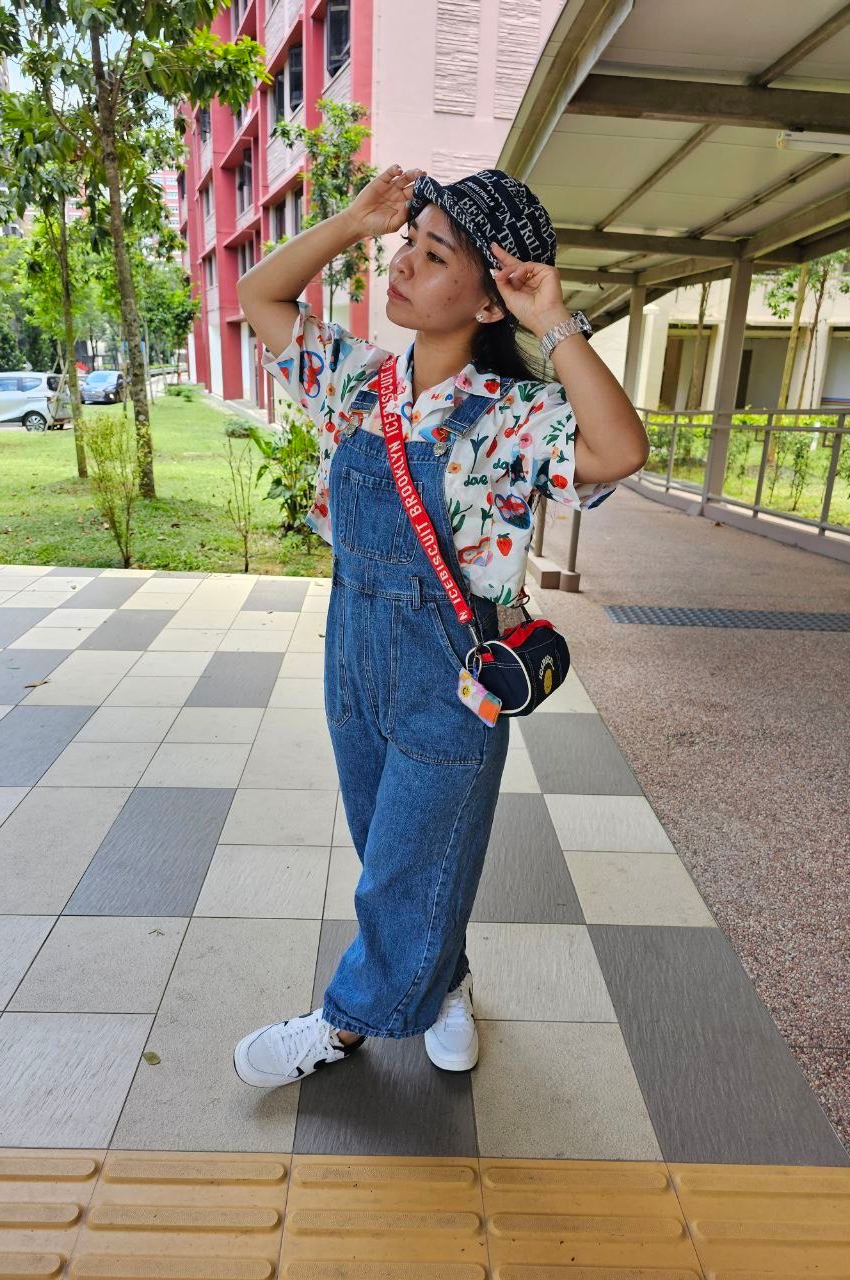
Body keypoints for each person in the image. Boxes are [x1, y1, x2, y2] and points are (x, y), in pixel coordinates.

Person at [232, 166, 649, 1088]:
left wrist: (554, 318)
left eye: (433, 255)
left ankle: (344, 1024)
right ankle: (446, 981)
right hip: (352, 654)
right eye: (405, 245)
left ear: (490, 299)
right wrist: (352, 221)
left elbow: (619, 449)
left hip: (452, 675)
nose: (402, 264)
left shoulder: (518, 416)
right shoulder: (355, 380)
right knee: (397, 849)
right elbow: (258, 296)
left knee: (402, 870)